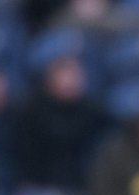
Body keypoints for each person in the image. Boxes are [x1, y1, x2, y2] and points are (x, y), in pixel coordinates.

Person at [15, 54, 111, 188]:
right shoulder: (31, 113)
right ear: (49, 79)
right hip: (41, 186)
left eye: (75, 75)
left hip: (83, 185)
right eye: (64, 75)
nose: (70, 81)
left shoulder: (96, 115)